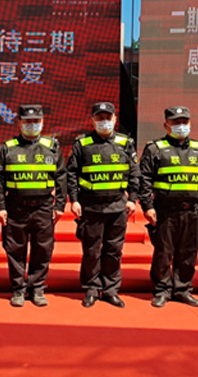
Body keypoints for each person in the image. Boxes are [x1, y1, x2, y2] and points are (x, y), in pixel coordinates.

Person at [67, 102, 139, 308]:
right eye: (100, 118)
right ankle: (91, 289)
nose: (104, 121)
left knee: (114, 250)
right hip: (91, 206)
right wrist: (74, 199)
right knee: (91, 251)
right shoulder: (82, 143)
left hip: (117, 206)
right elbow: (71, 173)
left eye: (108, 117)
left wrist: (132, 198)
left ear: (115, 119)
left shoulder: (125, 143)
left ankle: (110, 290)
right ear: (92, 120)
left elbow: (134, 173)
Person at [0, 104, 66, 307]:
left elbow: (61, 176)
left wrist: (60, 205)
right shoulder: (9, 147)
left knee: (43, 249)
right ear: (19, 123)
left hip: (43, 207)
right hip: (16, 207)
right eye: (27, 121)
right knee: (15, 249)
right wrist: (0, 206)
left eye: (36, 121)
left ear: (42, 122)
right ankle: (18, 289)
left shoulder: (52, 146)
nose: (32, 125)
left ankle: (37, 288)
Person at [139, 106, 198, 308]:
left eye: (184, 122)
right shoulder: (155, 149)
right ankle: (162, 290)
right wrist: (147, 206)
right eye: (176, 122)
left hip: (192, 210)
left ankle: (182, 289)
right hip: (165, 210)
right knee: (163, 252)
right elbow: (144, 180)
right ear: (166, 125)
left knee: (188, 253)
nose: (181, 126)